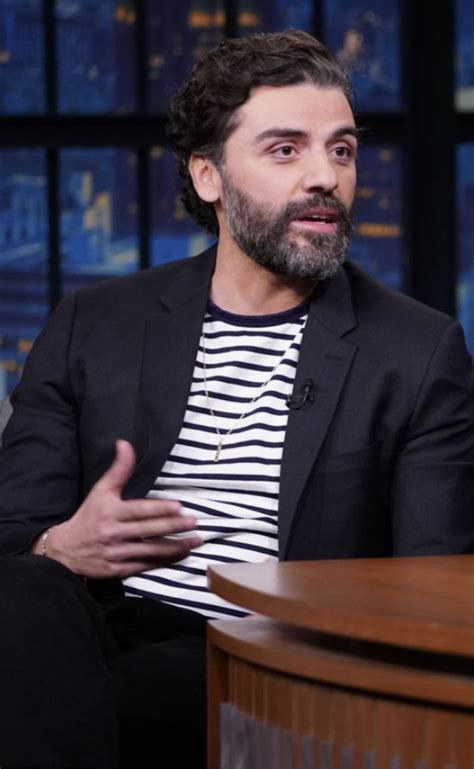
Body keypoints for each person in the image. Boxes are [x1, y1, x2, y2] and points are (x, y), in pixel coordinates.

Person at [0, 28, 473, 769]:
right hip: (85, 628)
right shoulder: (96, 322)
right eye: (286, 149)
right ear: (209, 176)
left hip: (262, 658)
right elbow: (12, 534)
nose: (325, 176)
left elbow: (434, 586)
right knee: (27, 592)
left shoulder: (415, 350)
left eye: (342, 150)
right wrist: (64, 547)